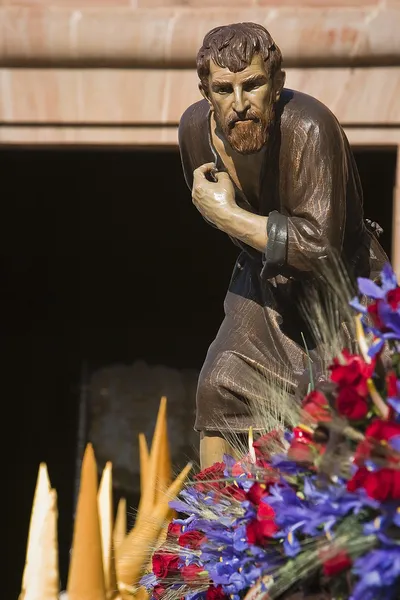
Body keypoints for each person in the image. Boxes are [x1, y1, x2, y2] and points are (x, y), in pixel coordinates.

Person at [178, 22, 388, 467]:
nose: (239, 105)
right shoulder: (195, 132)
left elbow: (319, 248)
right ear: (205, 92)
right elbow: (219, 216)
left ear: (277, 84)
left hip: (343, 288)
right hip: (265, 278)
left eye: (252, 85)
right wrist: (238, 228)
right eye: (223, 90)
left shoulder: (310, 127)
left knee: (339, 407)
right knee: (219, 385)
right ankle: (215, 525)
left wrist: (231, 216)